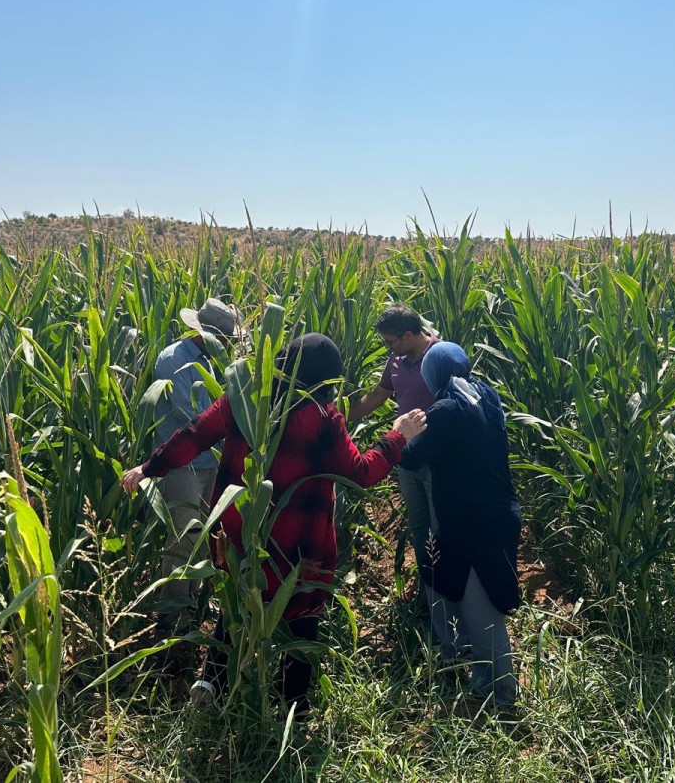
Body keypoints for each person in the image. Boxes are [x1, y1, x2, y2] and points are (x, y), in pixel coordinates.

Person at [120, 334, 426, 714]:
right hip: (299, 543)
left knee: (240, 596)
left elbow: (194, 436)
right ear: (326, 378)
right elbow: (361, 472)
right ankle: (292, 707)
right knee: (302, 616)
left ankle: (211, 685)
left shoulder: (245, 398)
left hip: (238, 530)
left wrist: (149, 467)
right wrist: (399, 437)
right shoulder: (322, 417)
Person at [399, 342, 522, 709]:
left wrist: (404, 432)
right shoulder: (486, 396)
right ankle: (472, 665)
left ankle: (500, 693)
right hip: (498, 514)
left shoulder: (446, 409)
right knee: (468, 590)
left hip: (471, 522)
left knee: (482, 609)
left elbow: (410, 458)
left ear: (431, 374)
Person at [347, 305, 467, 658]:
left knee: (440, 527)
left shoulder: (441, 357)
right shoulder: (397, 362)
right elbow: (377, 396)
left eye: (391, 342)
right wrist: (341, 417)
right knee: (419, 527)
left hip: (440, 460)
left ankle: (450, 605)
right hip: (405, 457)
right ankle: (427, 594)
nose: (388, 349)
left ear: (411, 335)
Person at [149, 297, 240, 624]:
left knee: (207, 534)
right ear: (202, 332)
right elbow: (192, 419)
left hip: (211, 461)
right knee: (185, 537)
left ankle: (195, 601)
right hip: (182, 463)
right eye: (224, 339)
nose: (227, 346)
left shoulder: (215, 360)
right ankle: (172, 614)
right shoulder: (175, 359)